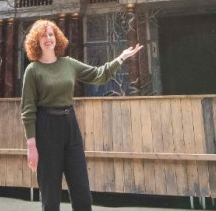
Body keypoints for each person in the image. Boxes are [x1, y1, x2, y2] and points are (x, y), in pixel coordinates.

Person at [21, 19, 141, 211]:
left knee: (82, 191)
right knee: (50, 195)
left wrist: (121, 58)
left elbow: (98, 74)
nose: (48, 39)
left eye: (51, 34)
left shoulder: (68, 64)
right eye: (43, 35)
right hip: (46, 127)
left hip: (70, 125)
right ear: (36, 40)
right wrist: (31, 145)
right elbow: (28, 110)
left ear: (57, 38)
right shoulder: (33, 70)